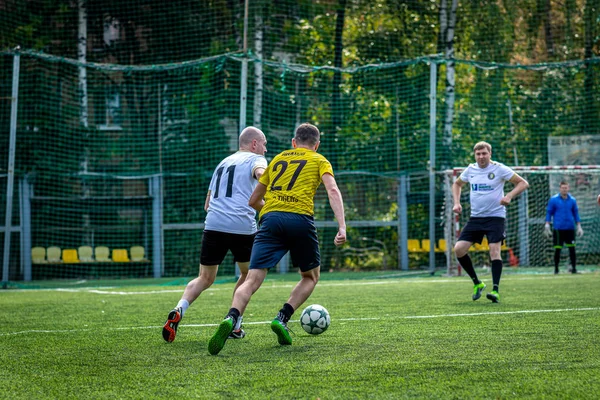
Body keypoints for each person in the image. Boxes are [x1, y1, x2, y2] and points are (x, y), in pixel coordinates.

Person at [207, 123, 346, 355]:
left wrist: (273, 209)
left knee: (251, 280)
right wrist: (341, 226)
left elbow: (253, 200)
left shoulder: (278, 159)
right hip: (300, 220)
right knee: (310, 276)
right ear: (316, 144)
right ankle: (282, 317)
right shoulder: (319, 159)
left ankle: (231, 318)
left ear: (294, 142)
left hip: (270, 220)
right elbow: (332, 190)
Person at [162, 126, 268, 343]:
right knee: (250, 275)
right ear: (254, 143)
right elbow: (261, 174)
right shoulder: (256, 160)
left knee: (205, 277)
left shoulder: (223, 163)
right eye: (264, 144)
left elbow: (207, 204)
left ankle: (179, 308)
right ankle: (235, 323)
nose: (266, 150)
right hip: (241, 225)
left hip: (213, 224)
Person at [452, 141, 529, 303]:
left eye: (484, 153)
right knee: (459, 249)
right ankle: (477, 283)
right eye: (478, 154)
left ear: (490, 154)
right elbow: (457, 184)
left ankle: (495, 291)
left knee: (494, 251)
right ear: (475, 155)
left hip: (496, 217)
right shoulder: (470, 170)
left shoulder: (499, 168)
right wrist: (456, 202)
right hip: (476, 218)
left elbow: (523, 183)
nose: (481, 157)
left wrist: (508, 196)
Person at [544, 181, 583, 274]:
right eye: (563, 188)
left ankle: (574, 269)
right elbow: (549, 212)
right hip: (558, 228)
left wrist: (579, 226)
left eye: (566, 188)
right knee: (558, 249)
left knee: (572, 249)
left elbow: (575, 213)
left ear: (568, 188)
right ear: (560, 188)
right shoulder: (554, 200)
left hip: (570, 228)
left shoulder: (572, 200)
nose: (564, 189)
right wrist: (547, 224)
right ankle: (556, 269)